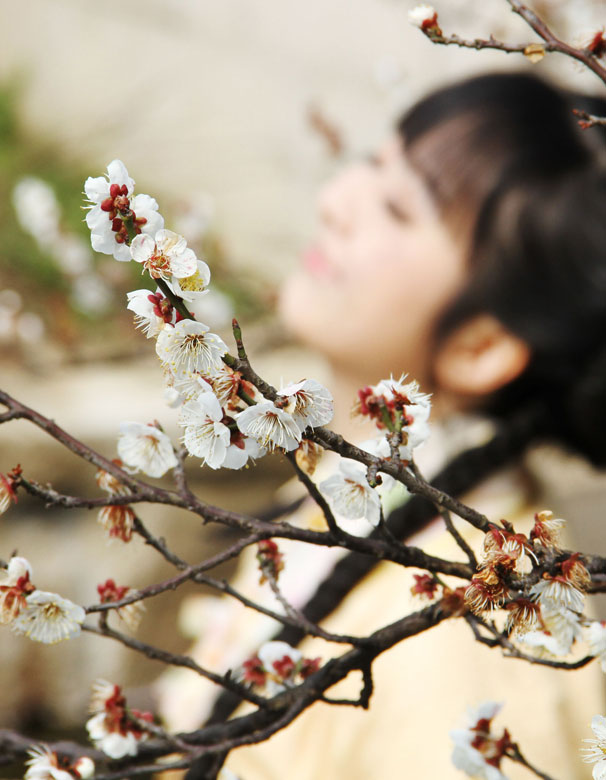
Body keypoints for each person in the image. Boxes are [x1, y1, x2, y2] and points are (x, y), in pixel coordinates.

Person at [157, 72, 606, 779]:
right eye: (373, 162)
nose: (336, 202)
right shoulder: (357, 495)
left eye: (398, 208)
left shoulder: (465, 667)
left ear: (480, 347)